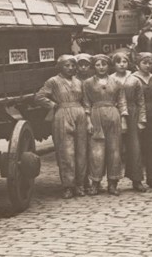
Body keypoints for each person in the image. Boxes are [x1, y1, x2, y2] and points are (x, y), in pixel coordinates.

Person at [35, 55, 88, 199]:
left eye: (72, 65)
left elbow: (86, 100)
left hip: (80, 114)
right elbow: (39, 96)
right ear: (60, 67)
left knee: (81, 151)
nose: (70, 68)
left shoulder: (79, 82)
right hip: (62, 115)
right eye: (67, 65)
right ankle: (68, 186)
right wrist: (53, 105)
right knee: (66, 152)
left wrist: (87, 116)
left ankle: (80, 184)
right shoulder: (53, 81)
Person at [81, 55, 127, 196]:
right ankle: (95, 183)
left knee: (114, 150)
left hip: (113, 115)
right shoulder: (88, 83)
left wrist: (124, 119)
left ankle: (113, 184)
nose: (101, 67)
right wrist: (88, 121)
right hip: (96, 115)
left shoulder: (117, 82)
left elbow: (122, 101)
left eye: (104, 64)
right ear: (94, 67)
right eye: (98, 65)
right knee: (97, 152)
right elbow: (86, 103)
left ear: (109, 66)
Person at [113, 52, 147, 192]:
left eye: (124, 61)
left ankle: (137, 179)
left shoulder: (134, 79)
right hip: (115, 113)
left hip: (132, 113)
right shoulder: (110, 79)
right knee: (115, 148)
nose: (122, 64)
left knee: (135, 147)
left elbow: (141, 101)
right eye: (118, 62)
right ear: (114, 64)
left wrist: (142, 119)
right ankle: (113, 181)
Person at [131, 53, 152, 189]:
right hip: (137, 112)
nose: (148, 66)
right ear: (138, 63)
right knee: (137, 147)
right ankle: (136, 179)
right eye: (144, 62)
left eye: (150, 63)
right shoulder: (132, 78)